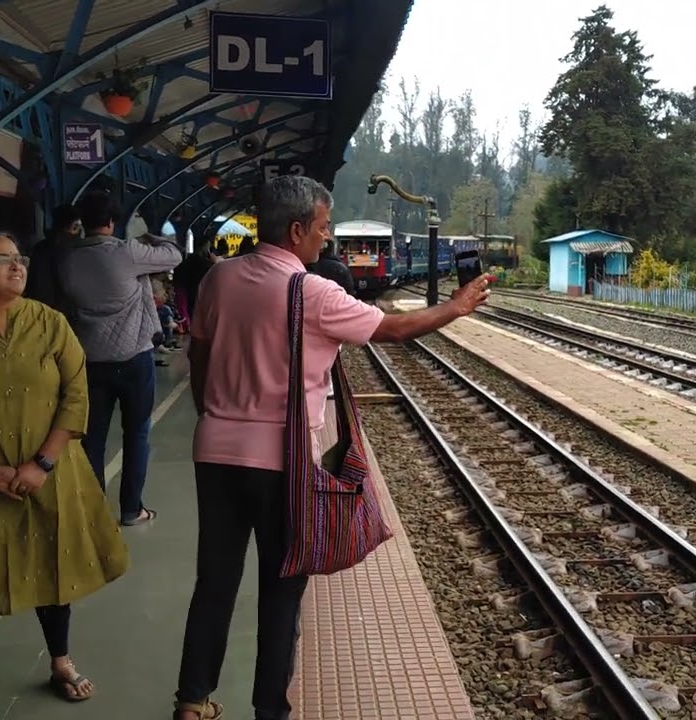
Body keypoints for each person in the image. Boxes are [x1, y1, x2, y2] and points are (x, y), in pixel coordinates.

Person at [172, 175, 490, 720]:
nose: (325, 241)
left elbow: (200, 359)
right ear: (296, 231)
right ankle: (269, 710)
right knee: (281, 587)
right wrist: (457, 307)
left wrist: (215, 415)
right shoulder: (312, 292)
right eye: (321, 229)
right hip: (281, 462)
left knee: (215, 581)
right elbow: (393, 328)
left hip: (216, 451)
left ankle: (192, 702)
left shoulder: (219, 280)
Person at [0, 231, 130, 719]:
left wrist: (42, 463)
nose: (17, 267)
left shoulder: (50, 323)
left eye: (20, 259)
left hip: (48, 473)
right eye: (2, 259)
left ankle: (60, 661)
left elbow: (77, 395)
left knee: (53, 568)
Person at [59, 193, 182, 525]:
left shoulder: (69, 259)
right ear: (112, 222)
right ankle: (131, 509)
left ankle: (95, 513)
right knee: (136, 434)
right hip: (134, 357)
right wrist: (149, 238)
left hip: (90, 359)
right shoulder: (127, 252)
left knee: (93, 438)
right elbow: (174, 255)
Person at [24, 205, 83, 316]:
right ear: (74, 227)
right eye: (77, 227)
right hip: (66, 317)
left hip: (38, 312)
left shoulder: (38, 248)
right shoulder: (75, 250)